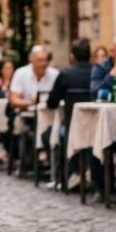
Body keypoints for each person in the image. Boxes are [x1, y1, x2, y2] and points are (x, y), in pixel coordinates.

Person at [46, 38, 93, 190]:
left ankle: (66, 175)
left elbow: (52, 102)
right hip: (95, 123)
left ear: (72, 56)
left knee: (52, 134)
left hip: (73, 125)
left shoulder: (66, 74)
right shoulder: (97, 72)